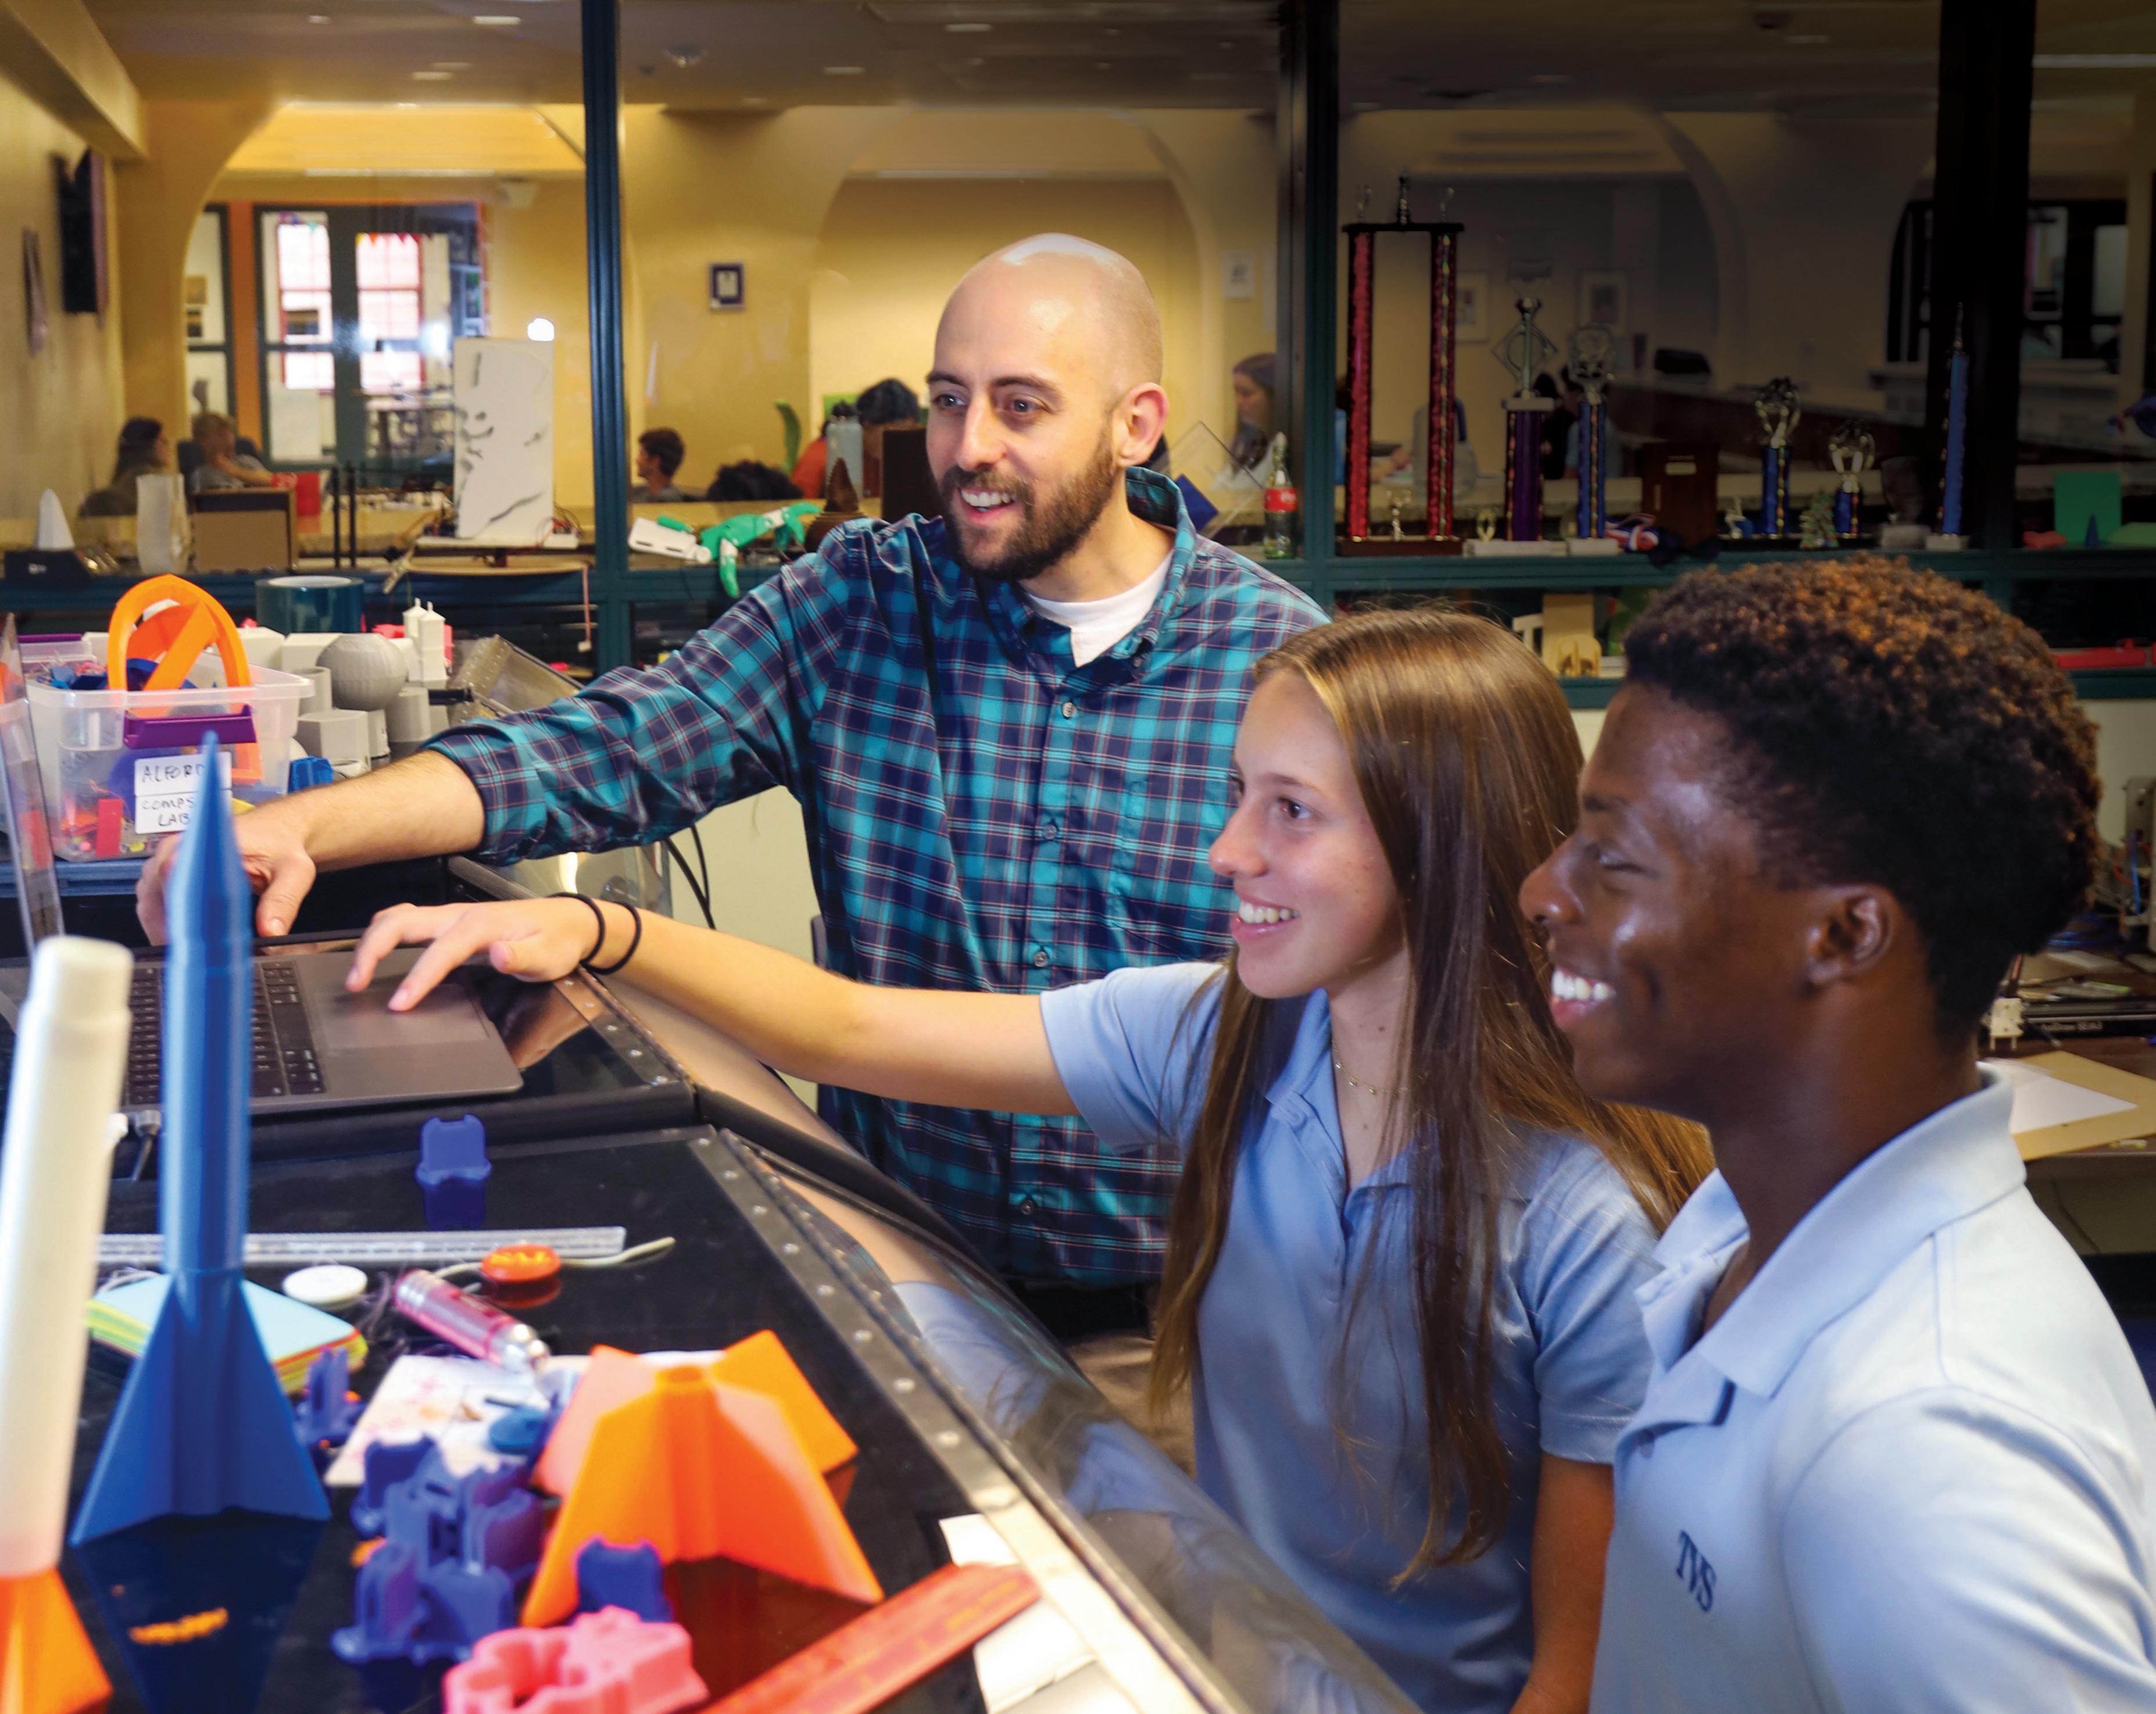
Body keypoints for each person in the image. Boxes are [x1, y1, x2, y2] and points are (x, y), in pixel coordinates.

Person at [344, 607, 1710, 1713]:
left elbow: (1575, 1680)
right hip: (1213, 1658)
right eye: (1239, 796)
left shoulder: (1579, 1224)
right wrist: (601, 941)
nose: (1226, 849)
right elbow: (861, 1027)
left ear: (1438, 842)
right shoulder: (1232, 1040)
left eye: (1290, 812)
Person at [136, 233, 1323, 1357]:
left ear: (1136, 426)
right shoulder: (862, 602)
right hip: (899, 1269)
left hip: (1182, 1326)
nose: (966, 447)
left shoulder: (1281, 670)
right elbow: (614, 746)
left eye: (1021, 406)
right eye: (949, 398)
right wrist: (298, 823)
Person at [1518, 560, 2156, 1711]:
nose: (1542, 893)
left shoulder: (1925, 1449)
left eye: (1611, 856)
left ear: (1846, 932)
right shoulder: (1738, 1227)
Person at [790, 377, 921, 499]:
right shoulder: (823, 456)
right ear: (866, 426)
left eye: (908, 432)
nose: (901, 443)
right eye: (893, 433)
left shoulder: (899, 459)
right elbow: (796, 508)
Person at [79, 417, 170, 517]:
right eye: (165, 442)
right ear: (157, 445)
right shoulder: (164, 500)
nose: (168, 449)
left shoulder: (95, 503)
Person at [186, 411, 276, 493]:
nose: (229, 439)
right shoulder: (201, 474)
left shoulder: (246, 461)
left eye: (230, 433)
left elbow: (273, 481)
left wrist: (234, 471)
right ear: (203, 441)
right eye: (221, 434)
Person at [1228, 352, 1274, 470]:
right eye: (1236, 393)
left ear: (1272, 396)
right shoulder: (1244, 444)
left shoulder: (1279, 447)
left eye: (1246, 394)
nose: (1239, 402)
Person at [630, 427, 689, 500]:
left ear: (655, 462)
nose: (637, 460)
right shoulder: (636, 492)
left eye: (642, 454)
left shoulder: (667, 500)